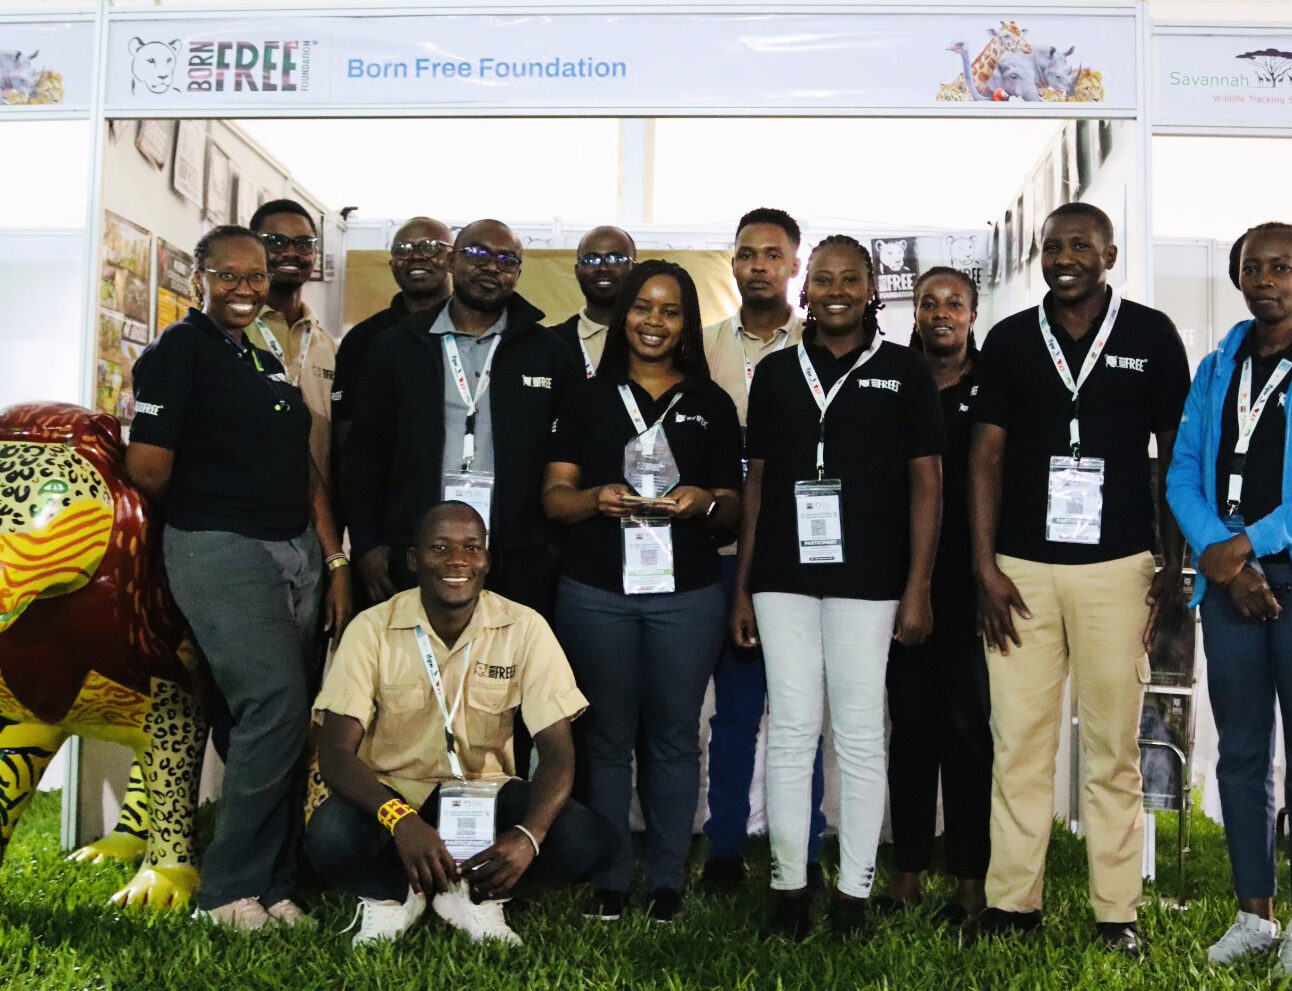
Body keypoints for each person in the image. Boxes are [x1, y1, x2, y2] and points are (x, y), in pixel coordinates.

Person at [969, 202, 1190, 958]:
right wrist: (984, 565)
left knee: (1112, 747)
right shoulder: (1007, 339)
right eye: (1051, 246)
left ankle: (1116, 911)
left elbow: (1175, 457)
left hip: (1119, 568)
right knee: (1019, 743)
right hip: (1021, 573)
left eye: (1079, 245)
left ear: (1110, 253)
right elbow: (985, 459)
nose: (1064, 257)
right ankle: (1011, 904)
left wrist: (1169, 564)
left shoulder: (1152, 335)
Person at [125, 224, 352, 930]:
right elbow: (148, 469)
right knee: (276, 704)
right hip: (221, 546)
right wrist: (213, 510)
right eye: (229, 275)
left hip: (296, 548)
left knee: (271, 719)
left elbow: (301, 465)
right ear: (200, 277)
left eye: (256, 276)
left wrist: (333, 558)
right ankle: (226, 891)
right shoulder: (177, 351)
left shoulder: (261, 353)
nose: (246, 288)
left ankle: (274, 887)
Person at [732, 235, 943, 940]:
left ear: (870, 287)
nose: (835, 289)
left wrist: (918, 588)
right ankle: (790, 887)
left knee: (857, 732)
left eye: (849, 278)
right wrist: (743, 587)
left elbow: (927, 483)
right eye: (822, 278)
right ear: (805, 288)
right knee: (791, 729)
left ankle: (853, 893)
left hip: (872, 578)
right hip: (784, 578)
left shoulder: (906, 372)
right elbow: (756, 482)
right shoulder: (777, 372)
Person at [305, 501, 606, 947]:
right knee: (330, 836)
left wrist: (529, 835)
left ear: (487, 558)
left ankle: (472, 894)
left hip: (482, 796)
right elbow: (334, 753)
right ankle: (394, 895)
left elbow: (558, 749)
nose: (457, 561)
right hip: (394, 796)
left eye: (471, 547)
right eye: (439, 547)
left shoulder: (524, 627)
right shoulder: (372, 628)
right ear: (414, 558)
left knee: (580, 836)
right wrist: (400, 820)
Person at [543, 259, 743, 923]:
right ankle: (609, 875)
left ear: (686, 323)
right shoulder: (586, 395)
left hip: (686, 594)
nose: (654, 322)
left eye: (671, 310)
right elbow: (554, 496)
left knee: (674, 738)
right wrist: (593, 498)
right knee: (604, 737)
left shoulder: (710, 402)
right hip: (596, 589)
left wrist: (705, 501)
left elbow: (735, 509)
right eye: (643, 307)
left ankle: (665, 879)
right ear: (622, 313)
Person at [1166, 222, 1292, 968]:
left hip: (1276, 568)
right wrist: (1218, 555)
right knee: (1242, 752)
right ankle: (1257, 915)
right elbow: (1182, 467)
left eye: (1282, 266)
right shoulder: (1219, 364)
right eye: (1254, 267)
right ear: (1236, 276)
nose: (1267, 279)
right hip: (1228, 587)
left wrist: (1246, 544)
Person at [344, 218, 577, 620]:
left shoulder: (549, 352)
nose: (491, 267)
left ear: (518, 274)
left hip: (518, 555)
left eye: (507, 259)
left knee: (509, 674)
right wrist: (366, 543)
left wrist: (551, 549)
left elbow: (568, 452)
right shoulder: (397, 347)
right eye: (477, 253)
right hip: (417, 549)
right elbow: (365, 454)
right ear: (451, 262)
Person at [697, 207, 827, 895]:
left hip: (799, 560)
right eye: (746, 254)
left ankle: (803, 844)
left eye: (772, 255)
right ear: (734, 263)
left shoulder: (821, 348)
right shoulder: (705, 345)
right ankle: (723, 847)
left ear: (794, 264)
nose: (758, 266)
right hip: (719, 557)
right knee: (736, 711)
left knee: (800, 711)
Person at [879, 266, 992, 922]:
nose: (941, 313)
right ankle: (910, 869)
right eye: (929, 303)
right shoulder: (896, 378)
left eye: (954, 303)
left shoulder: (993, 383)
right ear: (912, 312)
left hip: (974, 583)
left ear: (972, 314)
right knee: (911, 728)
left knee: (969, 731)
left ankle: (972, 877)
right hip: (902, 583)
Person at [333, 216, 454, 457]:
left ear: (453, 260)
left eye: (430, 247)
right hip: (389, 486)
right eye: (403, 249)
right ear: (391, 264)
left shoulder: (478, 330)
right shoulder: (364, 339)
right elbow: (346, 429)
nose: (416, 256)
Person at [244, 198, 338, 490]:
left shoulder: (330, 347)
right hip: (242, 509)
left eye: (303, 243)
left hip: (314, 514)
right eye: (276, 241)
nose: (291, 252)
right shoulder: (231, 332)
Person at [551, 225, 637, 377]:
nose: (603, 268)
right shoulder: (551, 342)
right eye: (591, 259)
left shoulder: (652, 337)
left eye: (616, 259)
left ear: (634, 268)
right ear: (577, 271)